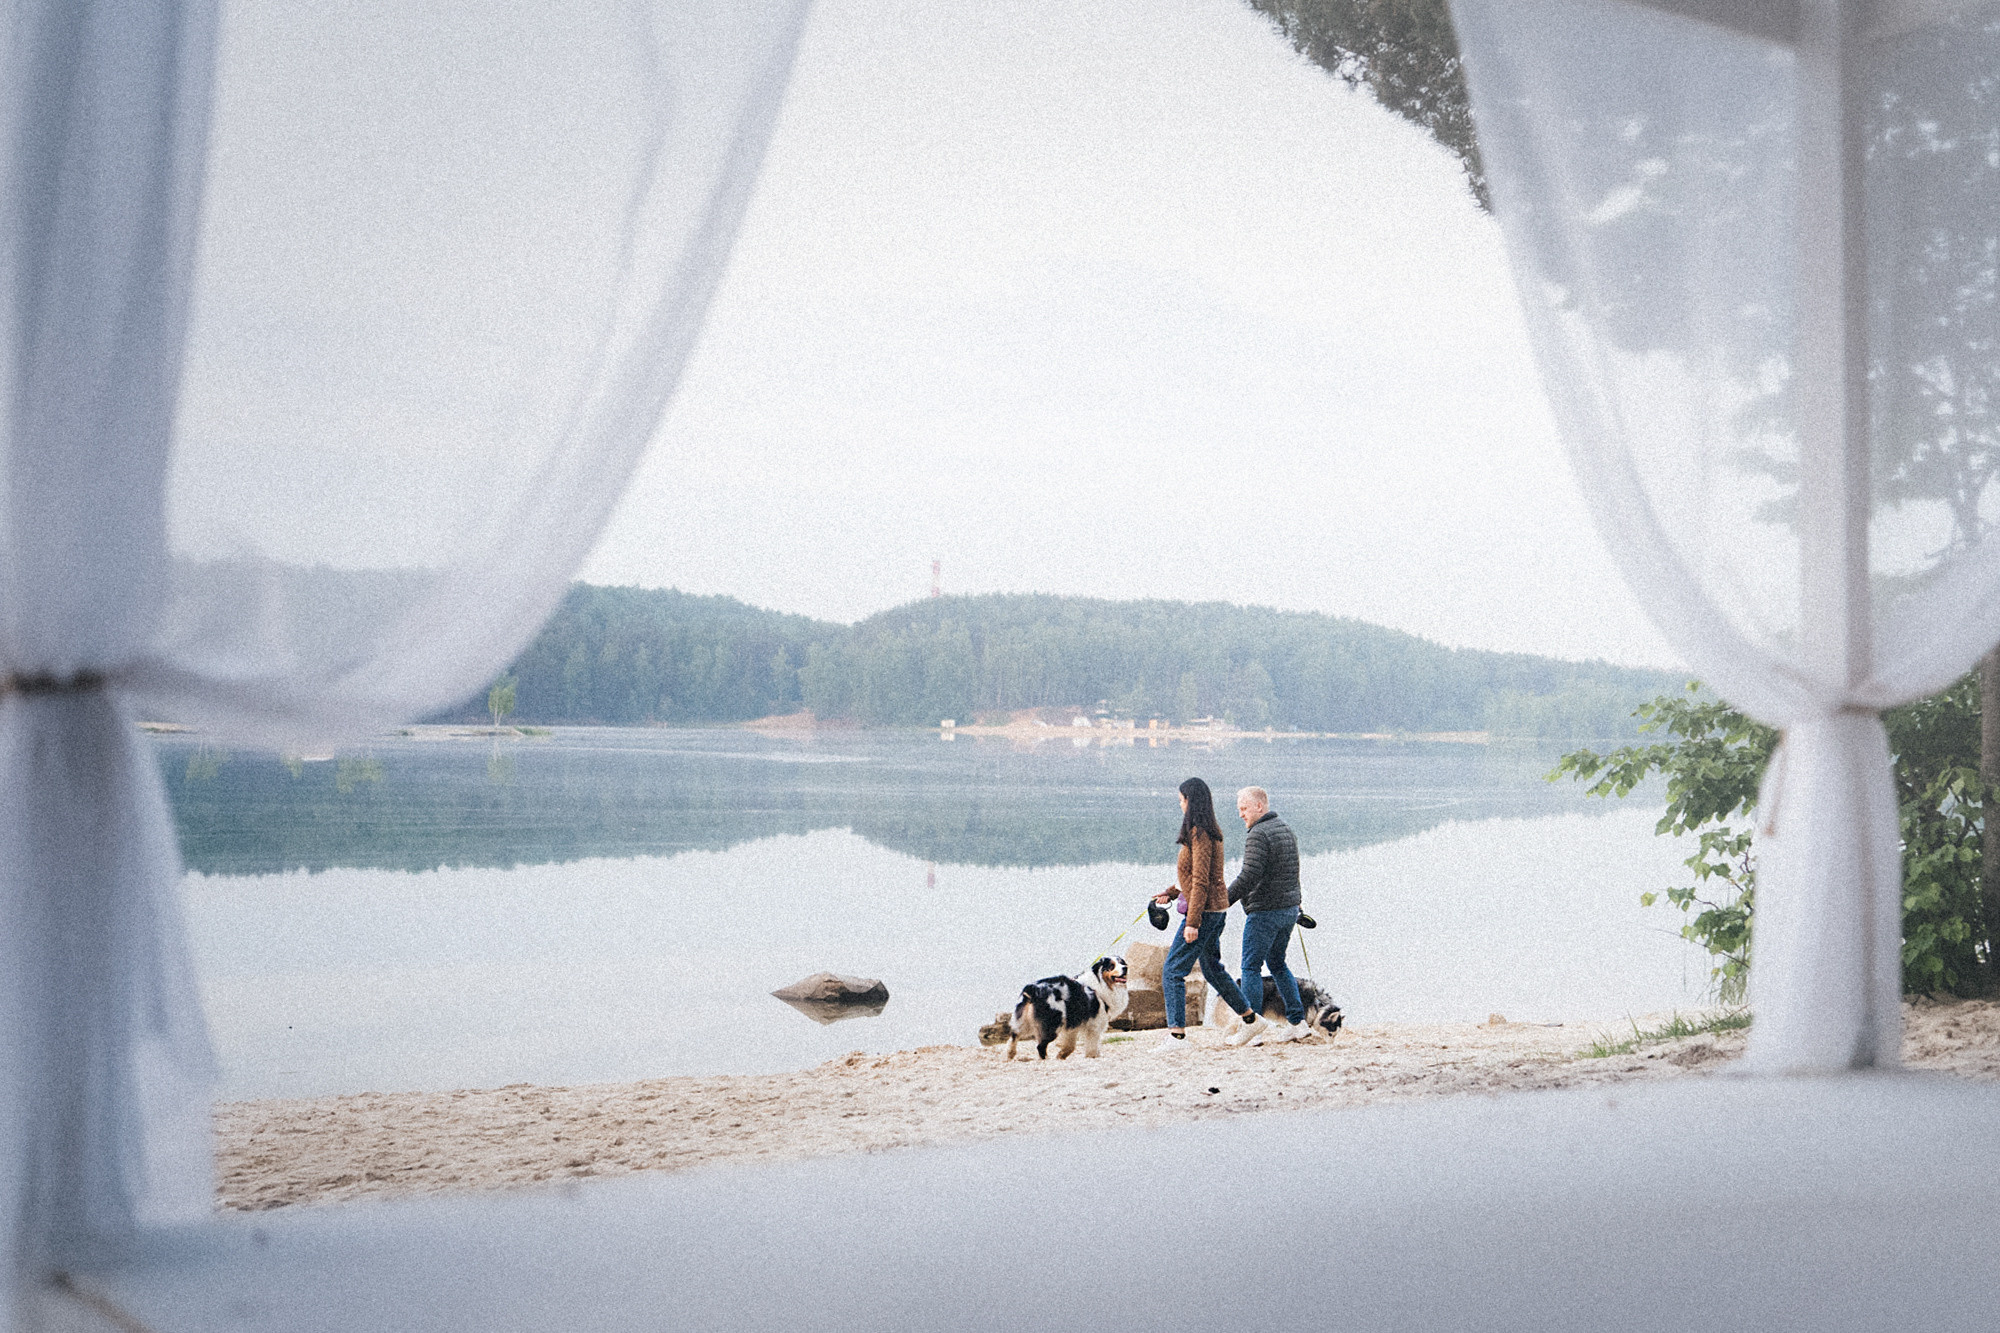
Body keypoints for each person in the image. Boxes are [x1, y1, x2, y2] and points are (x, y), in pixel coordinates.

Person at [1151, 777, 1268, 1049]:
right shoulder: (1207, 831)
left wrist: (1192, 922)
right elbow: (1195, 878)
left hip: (1204, 913)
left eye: (1181, 800)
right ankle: (1252, 1020)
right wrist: (1171, 892)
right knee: (1213, 970)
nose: (1179, 805)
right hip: (1215, 910)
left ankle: (1177, 1035)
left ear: (1190, 801)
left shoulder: (1200, 834)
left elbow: (1202, 880)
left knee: (1172, 971)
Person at [1226, 785, 1308, 1044]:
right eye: (1239, 809)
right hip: (1288, 910)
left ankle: (1253, 1028)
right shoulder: (1285, 828)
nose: (1240, 814)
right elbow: (1293, 871)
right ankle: (1298, 1022)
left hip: (1266, 912)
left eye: (1244, 808)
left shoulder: (1258, 834)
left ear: (1259, 806)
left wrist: (1222, 901)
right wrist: (1298, 904)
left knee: (1250, 966)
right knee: (1277, 963)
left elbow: (1248, 876)